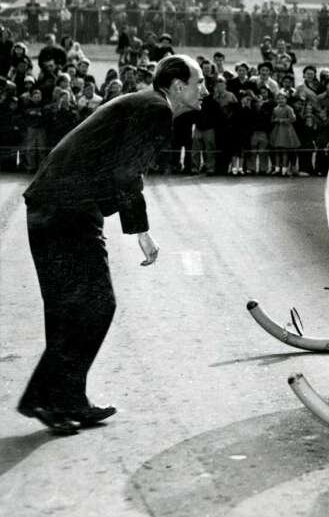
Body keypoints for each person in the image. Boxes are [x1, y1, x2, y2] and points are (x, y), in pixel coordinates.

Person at [17, 55, 206, 434]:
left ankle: (66, 400)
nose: (205, 89)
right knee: (97, 304)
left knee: (68, 309)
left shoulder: (143, 104)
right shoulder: (156, 110)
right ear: (177, 85)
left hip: (51, 204)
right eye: (199, 82)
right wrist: (141, 231)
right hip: (68, 209)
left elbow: (119, 166)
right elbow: (126, 171)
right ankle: (45, 397)